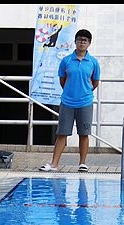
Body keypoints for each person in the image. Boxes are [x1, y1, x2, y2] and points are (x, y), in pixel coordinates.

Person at [39, 29, 101, 173]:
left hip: (85, 102)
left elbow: (95, 82)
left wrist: (85, 92)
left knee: (84, 133)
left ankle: (82, 163)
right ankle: (54, 164)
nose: (82, 43)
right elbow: (62, 80)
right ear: (75, 42)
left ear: (89, 43)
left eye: (85, 40)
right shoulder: (66, 60)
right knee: (62, 133)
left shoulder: (93, 62)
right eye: (79, 40)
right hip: (67, 102)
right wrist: (70, 92)